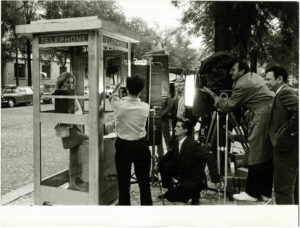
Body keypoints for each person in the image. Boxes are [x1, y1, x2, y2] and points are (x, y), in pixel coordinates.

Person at [202, 60, 274, 202]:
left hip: (261, 116)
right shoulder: (254, 76)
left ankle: (252, 193)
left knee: (255, 153)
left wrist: (213, 95)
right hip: (269, 113)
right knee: (265, 154)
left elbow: (228, 105)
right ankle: (265, 192)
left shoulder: (242, 84)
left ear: (241, 72)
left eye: (233, 70)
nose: (230, 73)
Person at [109, 75, 152, 205]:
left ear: (127, 88)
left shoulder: (119, 105)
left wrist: (118, 86)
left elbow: (112, 96)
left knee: (123, 181)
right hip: (141, 146)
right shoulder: (145, 106)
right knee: (144, 182)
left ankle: (124, 208)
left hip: (123, 147)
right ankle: (147, 208)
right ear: (142, 89)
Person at [157, 119, 220, 205]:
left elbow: (210, 157)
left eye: (178, 126)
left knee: (174, 198)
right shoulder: (177, 141)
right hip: (181, 172)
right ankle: (171, 189)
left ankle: (195, 194)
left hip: (193, 177)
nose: (174, 128)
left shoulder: (193, 144)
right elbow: (169, 155)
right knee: (162, 165)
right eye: (175, 126)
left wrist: (215, 180)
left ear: (185, 130)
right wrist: (158, 165)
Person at [265, 65, 299, 204]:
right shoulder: (281, 92)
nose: (266, 82)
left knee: (282, 190)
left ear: (279, 79)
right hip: (285, 148)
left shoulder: (284, 92)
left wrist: (287, 132)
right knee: (290, 189)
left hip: (285, 149)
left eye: (268, 79)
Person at [54, 72, 89, 191]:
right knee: (86, 142)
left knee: (74, 156)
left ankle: (74, 181)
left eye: (72, 82)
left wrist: (74, 114)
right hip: (68, 129)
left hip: (74, 127)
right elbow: (62, 113)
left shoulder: (71, 94)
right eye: (68, 82)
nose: (70, 84)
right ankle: (74, 182)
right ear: (62, 83)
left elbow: (79, 110)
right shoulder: (58, 95)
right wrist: (73, 114)